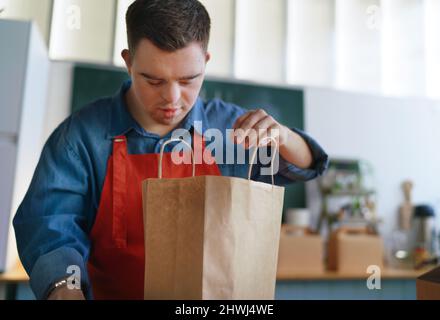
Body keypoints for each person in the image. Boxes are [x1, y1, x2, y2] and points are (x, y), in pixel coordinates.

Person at [13, 0, 328, 300]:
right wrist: (65, 288)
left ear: (205, 62)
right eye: (153, 80)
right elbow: (51, 228)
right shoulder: (80, 138)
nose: (172, 98)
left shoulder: (230, 130)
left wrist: (284, 136)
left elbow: (305, 166)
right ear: (128, 62)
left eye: (188, 79)